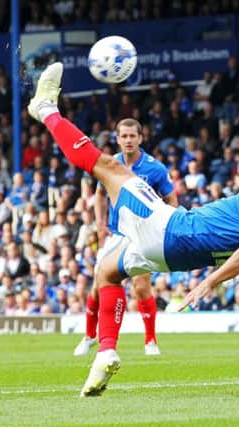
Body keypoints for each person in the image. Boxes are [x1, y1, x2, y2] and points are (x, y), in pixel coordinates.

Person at [27, 62, 239, 397]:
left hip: (171, 230)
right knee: (105, 271)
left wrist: (208, 284)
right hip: (173, 254)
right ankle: (105, 352)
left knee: (109, 167)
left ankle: (45, 108)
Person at [73, 118, 177, 358]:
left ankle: (150, 340)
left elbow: (172, 201)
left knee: (141, 287)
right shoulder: (109, 164)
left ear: (140, 138)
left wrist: (162, 228)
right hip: (116, 234)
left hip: (142, 236)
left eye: (133, 136)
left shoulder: (155, 168)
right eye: (124, 136)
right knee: (99, 286)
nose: (129, 140)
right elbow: (99, 195)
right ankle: (89, 336)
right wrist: (99, 224)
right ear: (117, 139)